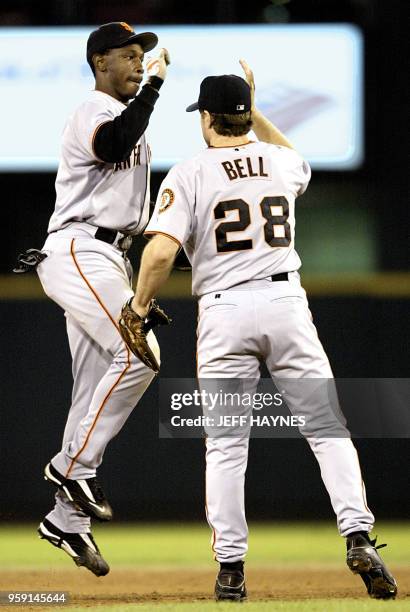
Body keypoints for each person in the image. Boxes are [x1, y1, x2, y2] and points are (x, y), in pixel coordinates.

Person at [124, 60, 398, 601]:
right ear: (245, 116)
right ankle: (358, 533)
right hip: (285, 302)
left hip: (224, 312)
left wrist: (138, 306)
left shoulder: (190, 171)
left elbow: (159, 252)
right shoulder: (278, 161)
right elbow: (292, 157)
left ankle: (230, 569)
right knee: (327, 427)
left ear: (205, 117)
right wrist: (256, 110)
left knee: (226, 446)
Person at [34, 21, 170, 576]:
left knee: (94, 388)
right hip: (79, 248)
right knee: (142, 352)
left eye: (144, 57)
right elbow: (113, 144)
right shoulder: (94, 110)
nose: (140, 64)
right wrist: (157, 90)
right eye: (130, 55)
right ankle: (71, 467)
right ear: (100, 63)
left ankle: (66, 521)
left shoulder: (127, 119)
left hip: (110, 254)